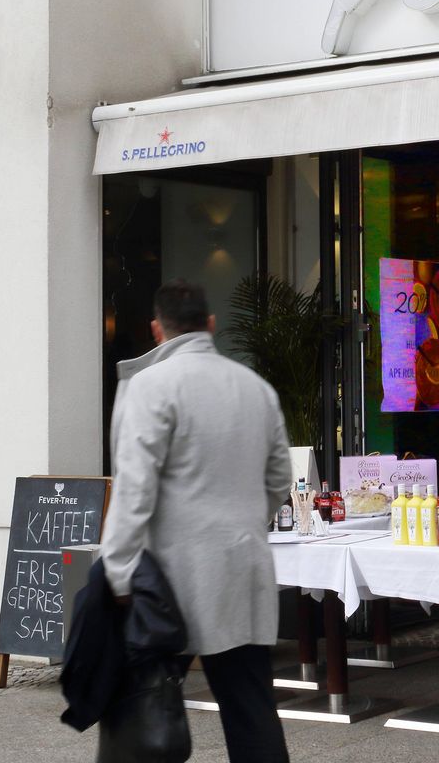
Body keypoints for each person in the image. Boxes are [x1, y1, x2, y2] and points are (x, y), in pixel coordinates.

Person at [102, 279, 292, 762]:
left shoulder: (149, 386)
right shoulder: (256, 388)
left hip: (170, 580)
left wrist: (118, 570)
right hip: (243, 570)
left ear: (157, 329)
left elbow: (134, 488)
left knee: (144, 707)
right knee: (251, 709)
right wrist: (245, 525)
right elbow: (279, 481)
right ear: (210, 323)